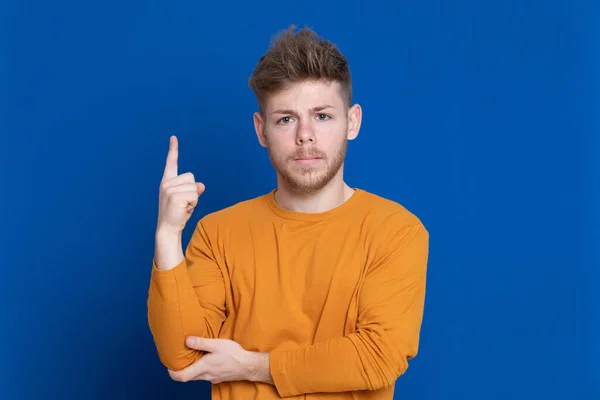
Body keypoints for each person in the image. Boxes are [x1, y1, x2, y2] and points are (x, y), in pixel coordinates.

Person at [147, 25, 429, 400]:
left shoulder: (396, 231)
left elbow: (378, 357)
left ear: (353, 122)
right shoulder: (218, 232)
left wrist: (253, 365)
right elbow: (183, 357)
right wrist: (167, 235)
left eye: (323, 116)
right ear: (261, 130)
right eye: (286, 119)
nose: (305, 135)